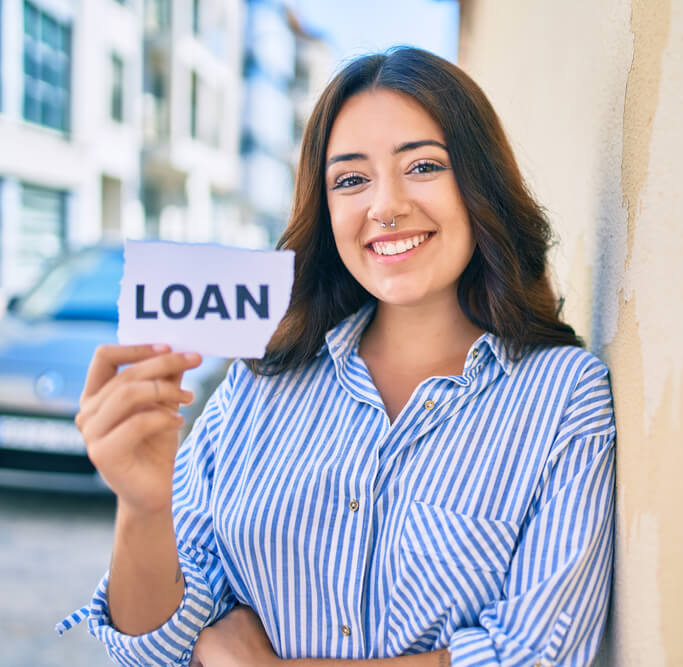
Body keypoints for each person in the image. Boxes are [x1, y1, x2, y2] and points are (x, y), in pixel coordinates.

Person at [59, 47, 616, 667]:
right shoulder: (258, 384)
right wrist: (143, 508)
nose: (385, 206)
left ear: (479, 182)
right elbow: (155, 649)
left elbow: (535, 657)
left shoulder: (565, 396)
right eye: (351, 179)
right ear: (326, 210)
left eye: (424, 166)